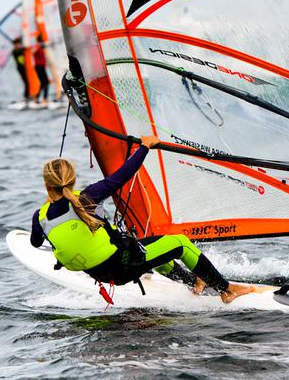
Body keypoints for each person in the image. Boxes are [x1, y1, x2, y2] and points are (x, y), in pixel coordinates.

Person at [31, 136, 255, 304]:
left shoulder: (40, 217)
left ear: (46, 184)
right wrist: (145, 146)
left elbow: (35, 243)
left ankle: (195, 282)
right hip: (123, 265)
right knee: (179, 243)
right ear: (72, 180)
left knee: (154, 253)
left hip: (102, 274)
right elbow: (123, 174)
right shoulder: (87, 197)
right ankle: (227, 290)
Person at [33, 37, 50, 105]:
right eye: (39, 42)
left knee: (46, 82)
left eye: (41, 42)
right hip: (38, 67)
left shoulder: (43, 48)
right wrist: (38, 46)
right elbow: (32, 51)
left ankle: (44, 98)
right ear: (37, 42)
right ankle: (37, 98)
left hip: (42, 67)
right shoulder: (36, 47)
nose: (41, 43)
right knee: (43, 82)